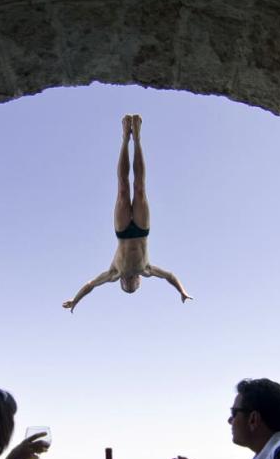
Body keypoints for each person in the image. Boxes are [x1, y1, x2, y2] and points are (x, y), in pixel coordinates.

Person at [62, 115, 192, 312]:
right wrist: (182, 291)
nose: (130, 284)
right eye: (133, 286)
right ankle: (137, 140)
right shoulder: (146, 270)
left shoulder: (113, 273)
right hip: (141, 230)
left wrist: (75, 300)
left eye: (127, 287)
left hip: (122, 231)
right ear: (139, 281)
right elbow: (170, 276)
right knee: (139, 187)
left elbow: (90, 285)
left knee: (123, 188)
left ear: (121, 282)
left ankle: (125, 138)